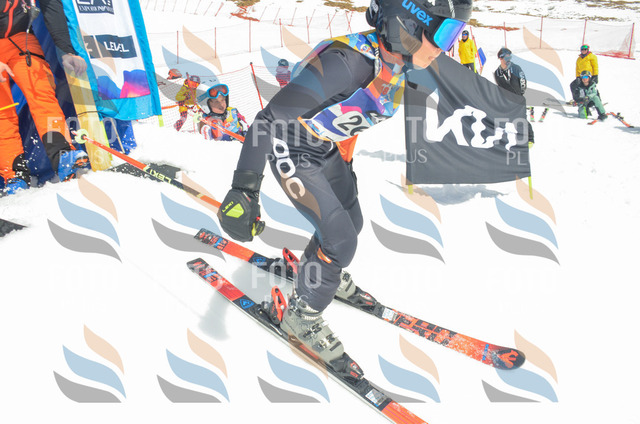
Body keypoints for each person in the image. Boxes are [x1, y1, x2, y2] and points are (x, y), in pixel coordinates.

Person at [217, 0, 472, 368]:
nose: (445, 48)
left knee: (352, 222)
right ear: (406, 25)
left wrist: (345, 165)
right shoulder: (345, 64)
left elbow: (353, 114)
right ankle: (300, 316)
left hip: (323, 147)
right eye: (444, 33)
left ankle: (318, 274)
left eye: (454, 36)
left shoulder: (399, 64)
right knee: (341, 240)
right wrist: (244, 189)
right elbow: (268, 120)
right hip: (289, 146)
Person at [1, 0, 89, 195]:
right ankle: (14, 175)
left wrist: (66, 50)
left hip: (20, 38)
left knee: (42, 93)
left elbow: (51, 7)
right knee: (2, 112)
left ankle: (63, 156)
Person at [494, 47, 535, 141]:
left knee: (521, 119)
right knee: (505, 119)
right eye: (506, 57)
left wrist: (520, 94)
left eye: (510, 57)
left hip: (518, 99)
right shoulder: (497, 72)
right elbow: (499, 86)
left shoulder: (516, 68)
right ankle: (504, 139)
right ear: (500, 58)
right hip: (506, 101)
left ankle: (530, 139)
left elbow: (523, 81)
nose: (508, 59)